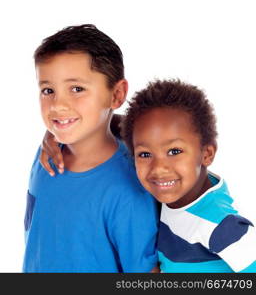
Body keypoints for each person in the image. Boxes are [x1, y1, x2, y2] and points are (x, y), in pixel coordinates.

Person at [23, 24, 159, 273]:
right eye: (48, 90)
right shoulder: (46, 155)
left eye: (77, 89)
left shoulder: (129, 191)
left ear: (116, 95)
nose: (58, 105)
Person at [120, 79, 256, 273]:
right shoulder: (177, 195)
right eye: (145, 154)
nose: (158, 168)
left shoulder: (220, 225)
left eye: (174, 151)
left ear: (206, 154)